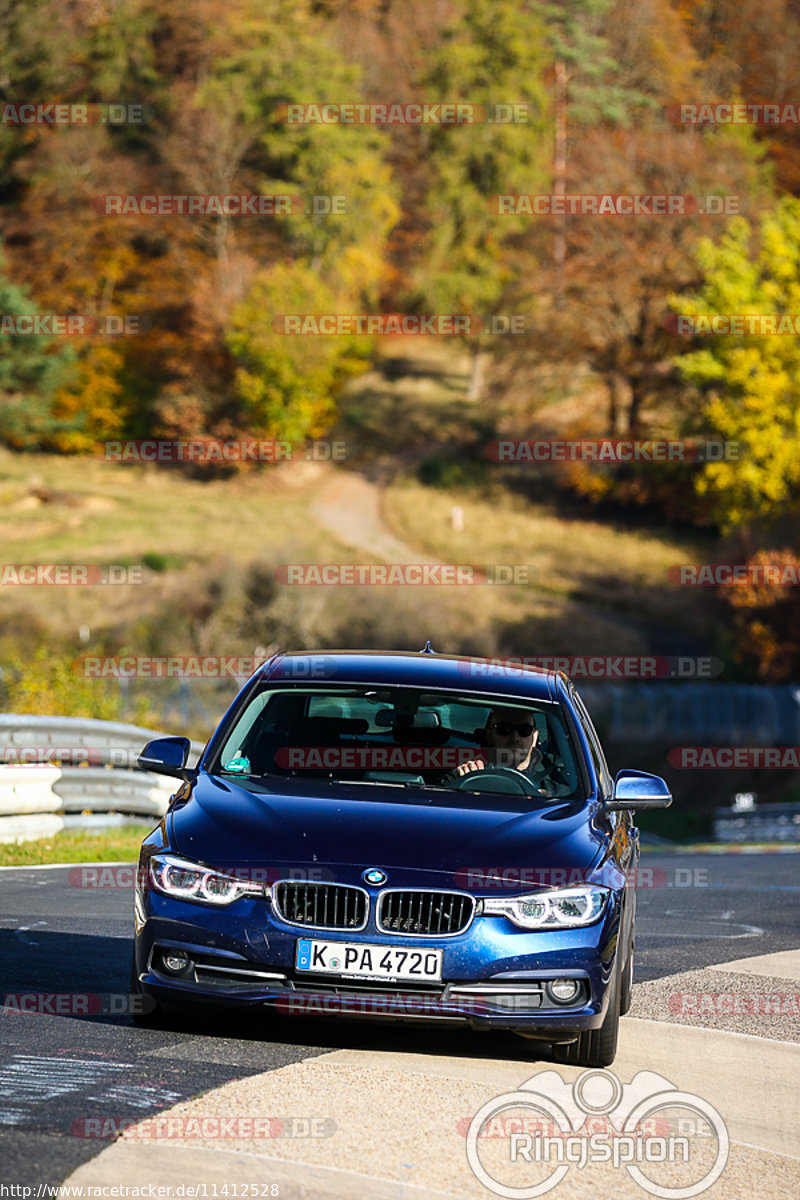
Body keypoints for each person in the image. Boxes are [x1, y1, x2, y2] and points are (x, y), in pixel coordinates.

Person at [449, 706, 544, 780]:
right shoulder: (465, 776)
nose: (515, 738)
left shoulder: (554, 794)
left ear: (534, 737)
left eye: (524, 730)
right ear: (489, 736)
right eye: (505, 729)